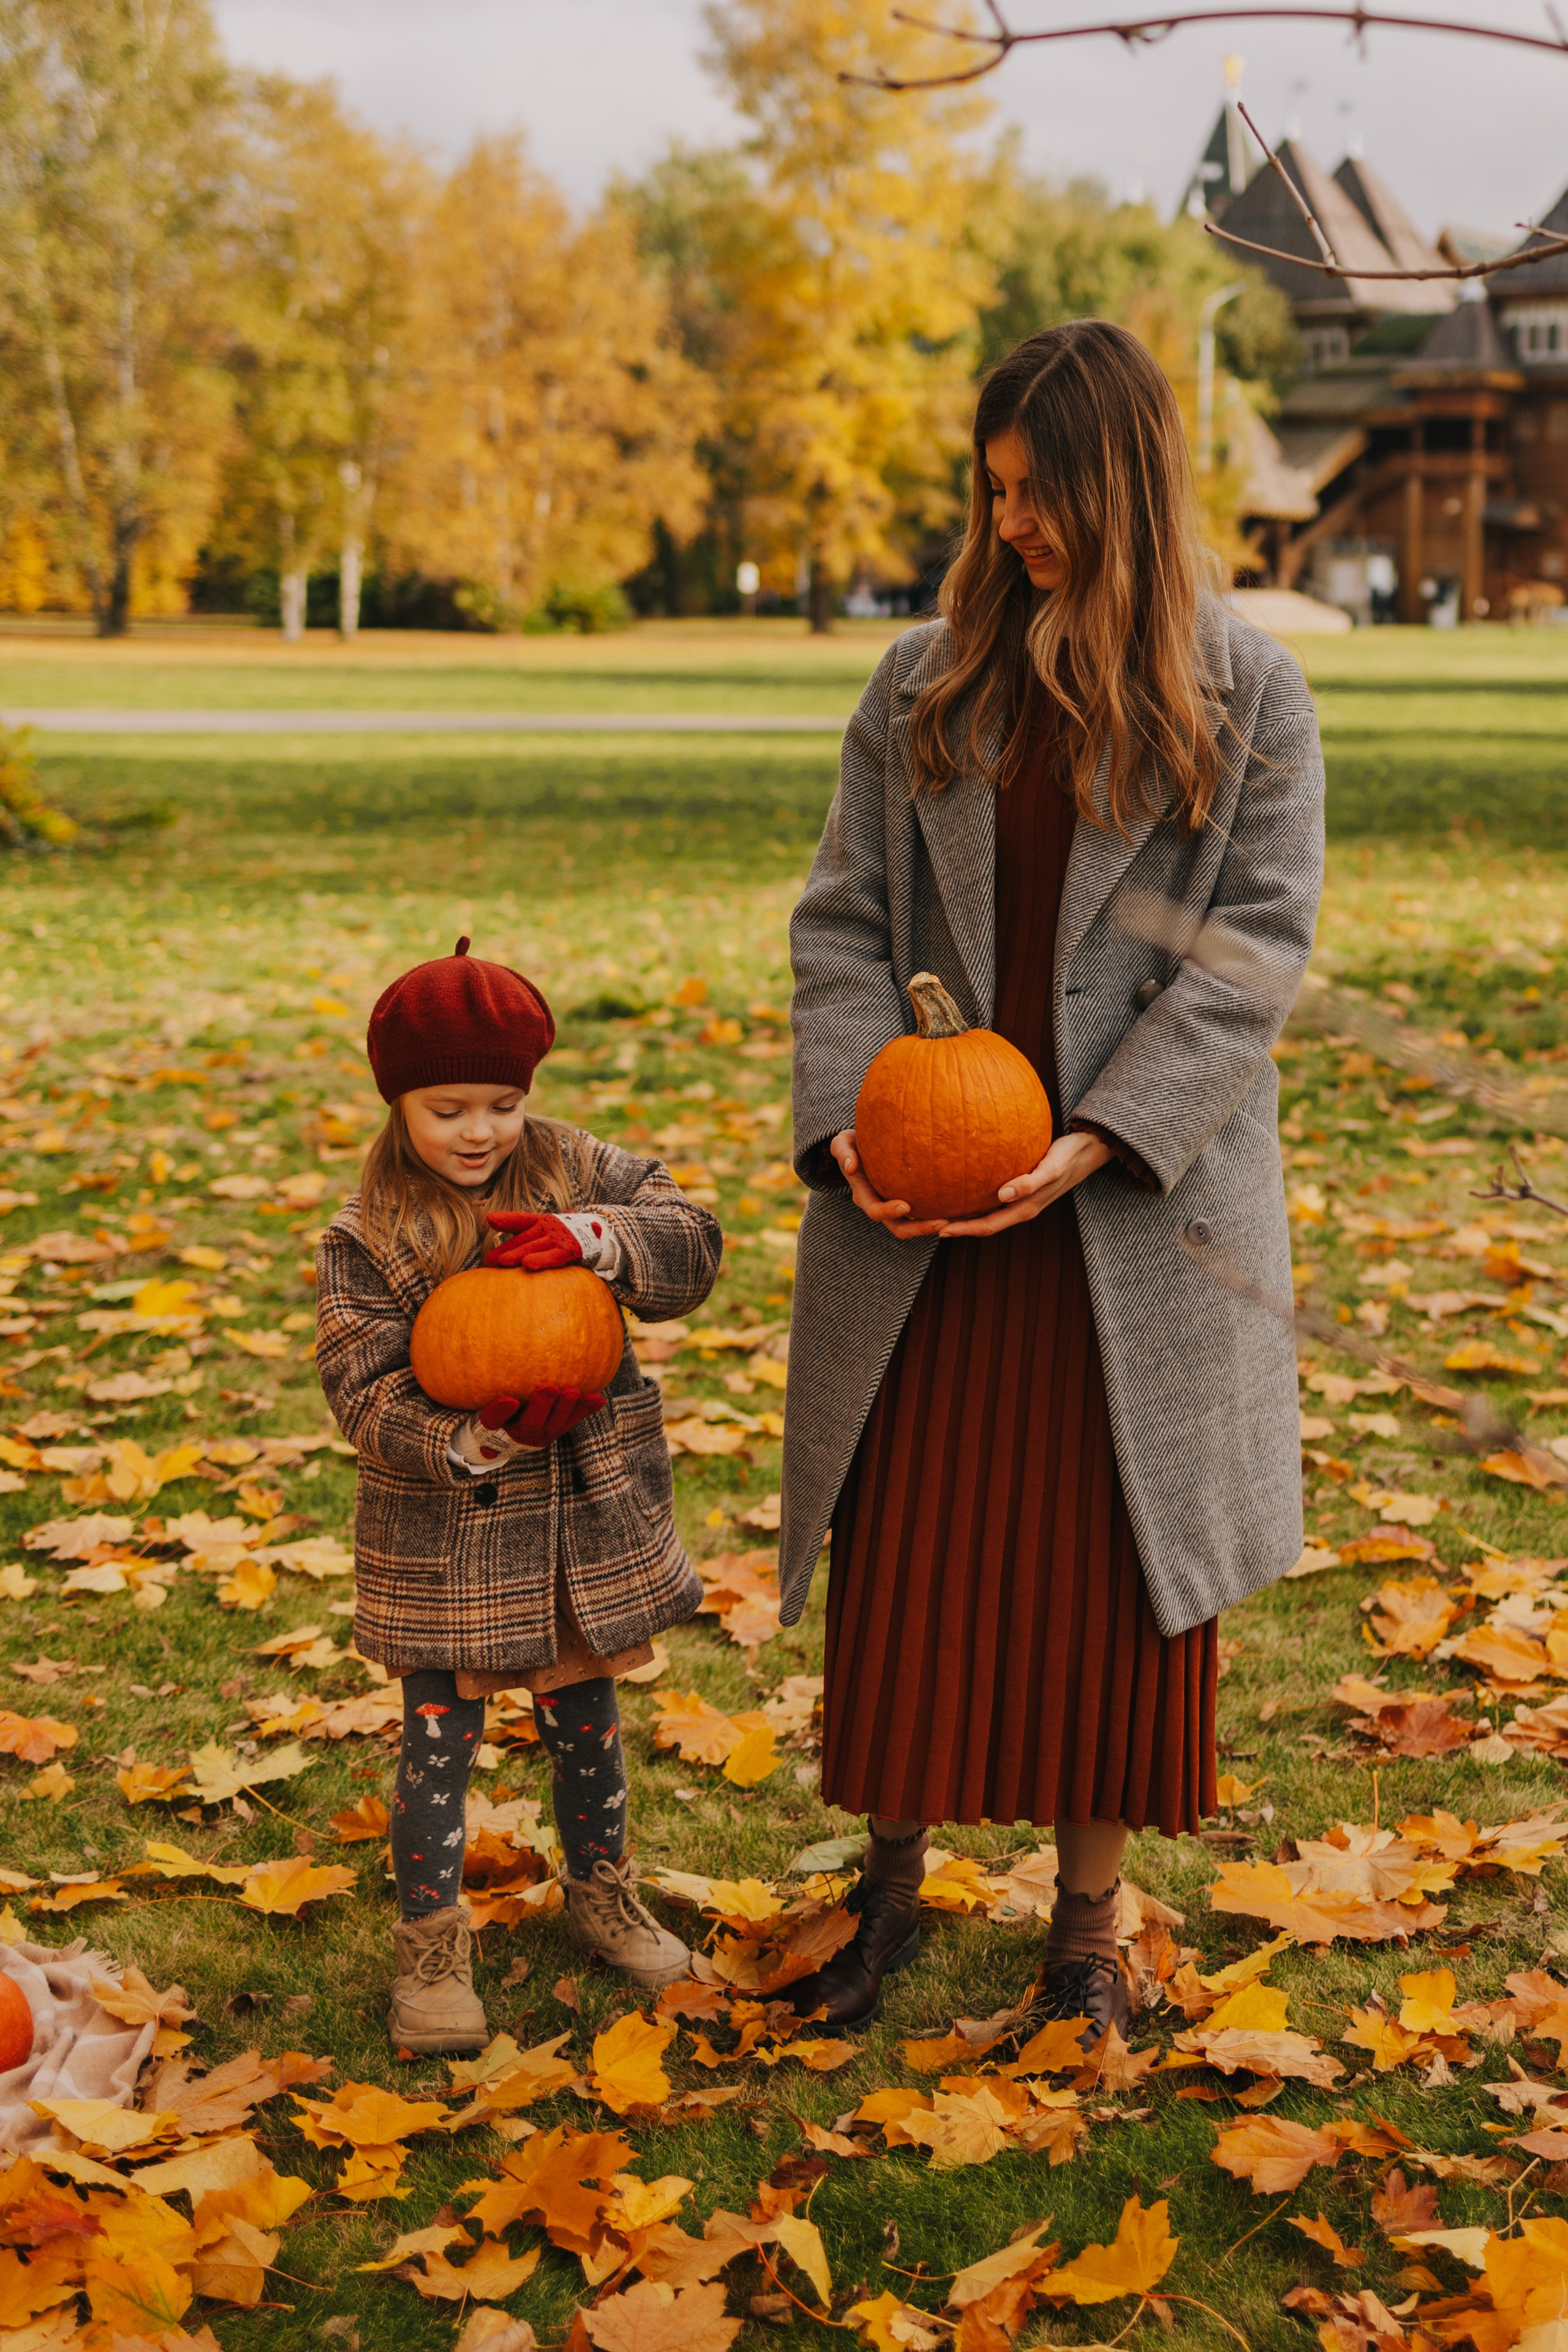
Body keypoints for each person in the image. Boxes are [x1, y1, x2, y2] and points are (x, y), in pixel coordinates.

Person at [777, 319, 1325, 2037]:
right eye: (993, 489)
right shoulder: (925, 682)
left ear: (1123, 483)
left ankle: (1086, 1932)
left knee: (1106, 1578)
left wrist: (1102, 1135)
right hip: (927, 1214)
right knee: (913, 1557)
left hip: (1128, 1216)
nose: (1009, 521)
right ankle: (887, 1892)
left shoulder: (1246, 694)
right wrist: (853, 1119)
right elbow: (841, 921)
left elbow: (1251, 953)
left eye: (1039, 491)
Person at [315, 938, 720, 2053]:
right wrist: (474, 1439)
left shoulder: (578, 1167)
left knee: (586, 1722)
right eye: (447, 1110)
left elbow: (691, 1244)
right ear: (399, 1103)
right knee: (438, 1740)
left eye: (503, 1104)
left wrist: (592, 1239)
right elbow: (361, 1389)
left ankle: (603, 1893)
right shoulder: (369, 1233)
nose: (479, 1131)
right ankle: (432, 1942)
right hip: (449, 1534)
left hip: (581, 1521)